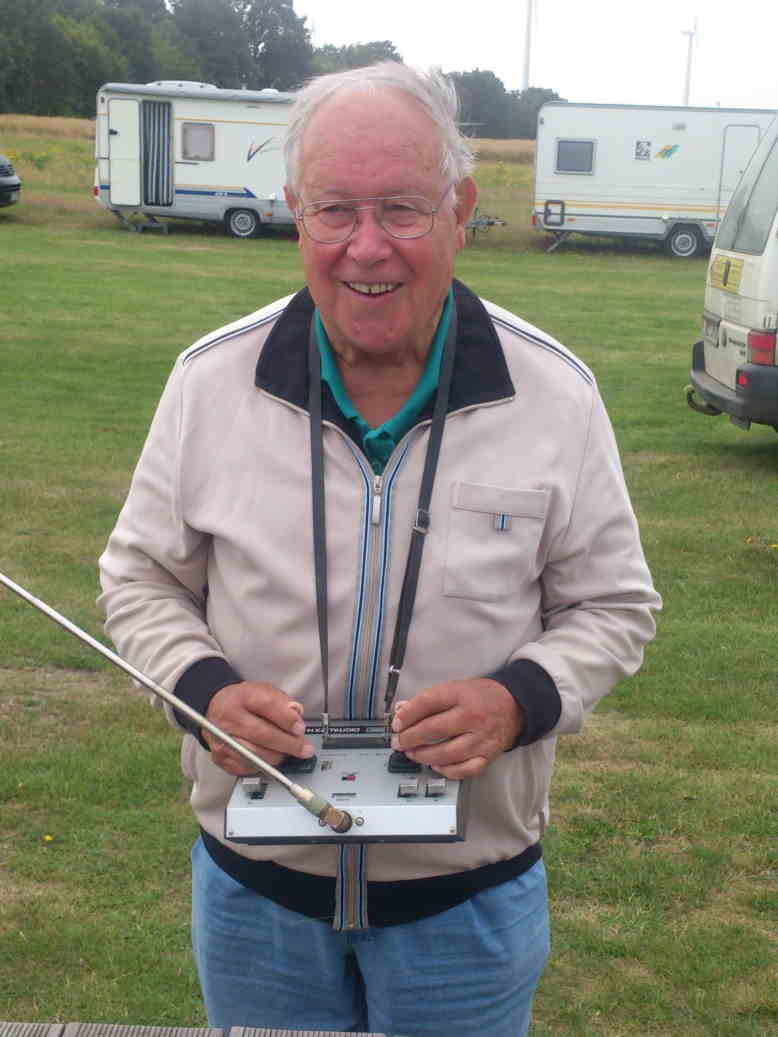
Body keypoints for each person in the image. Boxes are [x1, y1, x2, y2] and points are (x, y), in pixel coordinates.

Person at [99, 62, 661, 1037]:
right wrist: (201, 687)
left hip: (466, 911)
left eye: (402, 208)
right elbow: (140, 575)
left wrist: (517, 700)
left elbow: (613, 605)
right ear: (295, 213)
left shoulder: (554, 396)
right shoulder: (209, 382)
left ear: (460, 210)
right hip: (257, 905)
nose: (367, 247)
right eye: (335, 210)